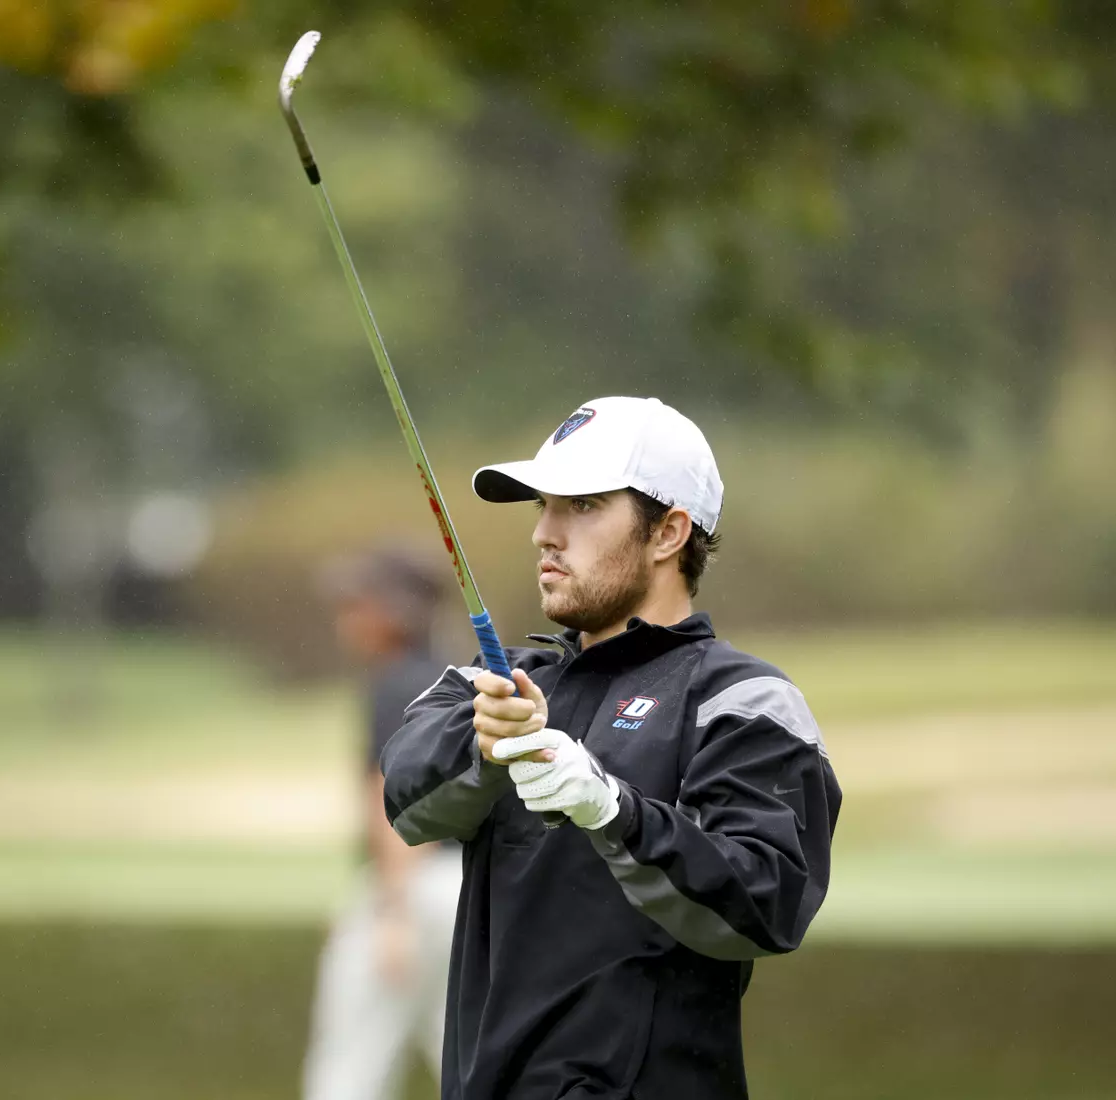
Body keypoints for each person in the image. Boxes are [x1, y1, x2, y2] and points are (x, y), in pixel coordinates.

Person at [380, 396, 843, 1100]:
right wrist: (484, 743)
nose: (544, 533)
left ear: (669, 533)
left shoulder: (742, 699)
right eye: (544, 507)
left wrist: (615, 811)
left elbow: (765, 903)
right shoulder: (500, 684)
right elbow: (406, 795)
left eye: (584, 506)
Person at [303, 546, 466, 1100]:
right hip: (465, 890)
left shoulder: (394, 684)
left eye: (357, 605)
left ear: (393, 612)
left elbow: (392, 801)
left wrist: (391, 909)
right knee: (464, 1061)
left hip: (412, 890)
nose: (345, 620)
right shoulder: (454, 679)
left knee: (350, 1069)